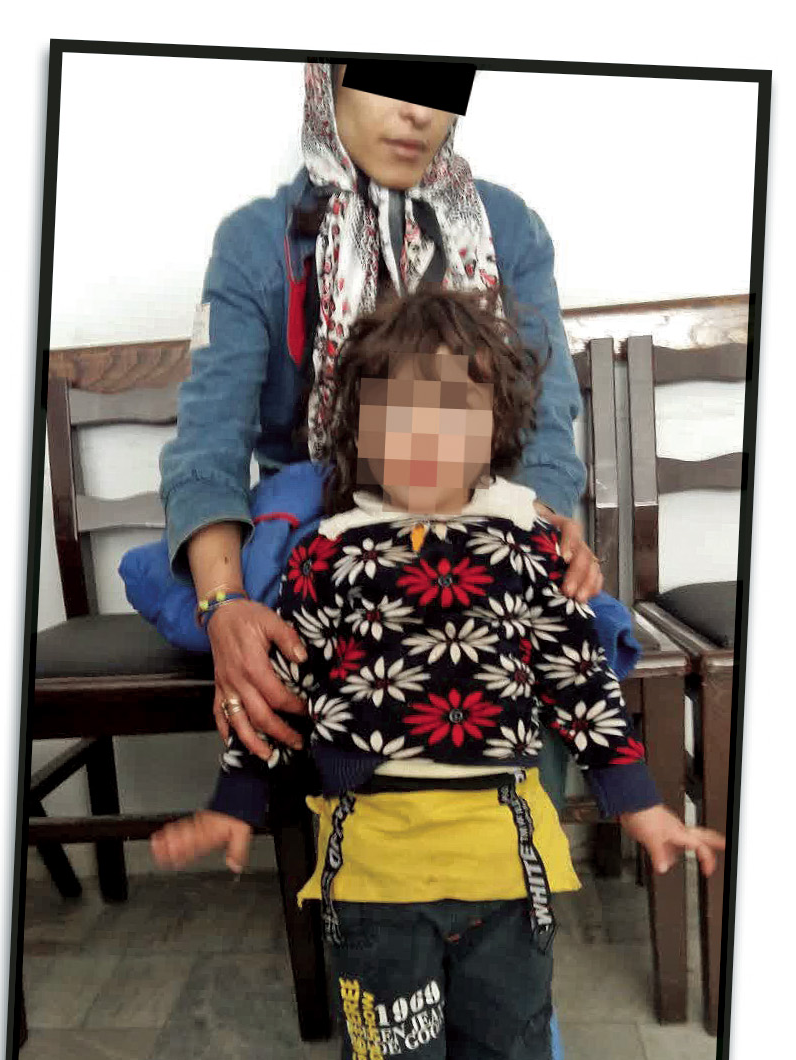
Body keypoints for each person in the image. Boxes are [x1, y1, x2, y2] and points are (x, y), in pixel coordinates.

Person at [151, 287, 725, 1060]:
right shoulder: (325, 557)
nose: (425, 434)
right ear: (356, 428)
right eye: (398, 408)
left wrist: (642, 806)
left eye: (455, 407)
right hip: (372, 868)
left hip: (501, 858)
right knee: (387, 1038)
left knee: (503, 1031)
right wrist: (231, 807)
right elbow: (281, 694)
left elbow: (579, 683)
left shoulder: (529, 548)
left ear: (496, 429)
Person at [158, 59, 600, 819]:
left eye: (438, 83)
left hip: (484, 508)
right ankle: (361, 865)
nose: (417, 112)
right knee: (326, 629)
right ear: (326, 81)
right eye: (383, 77)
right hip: (326, 527)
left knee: (537, 608)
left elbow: (544, 413)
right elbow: (208, 440)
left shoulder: (507, 227)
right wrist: (223, 602)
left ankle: (513, 852)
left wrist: (540, 527)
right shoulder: (257, 242)